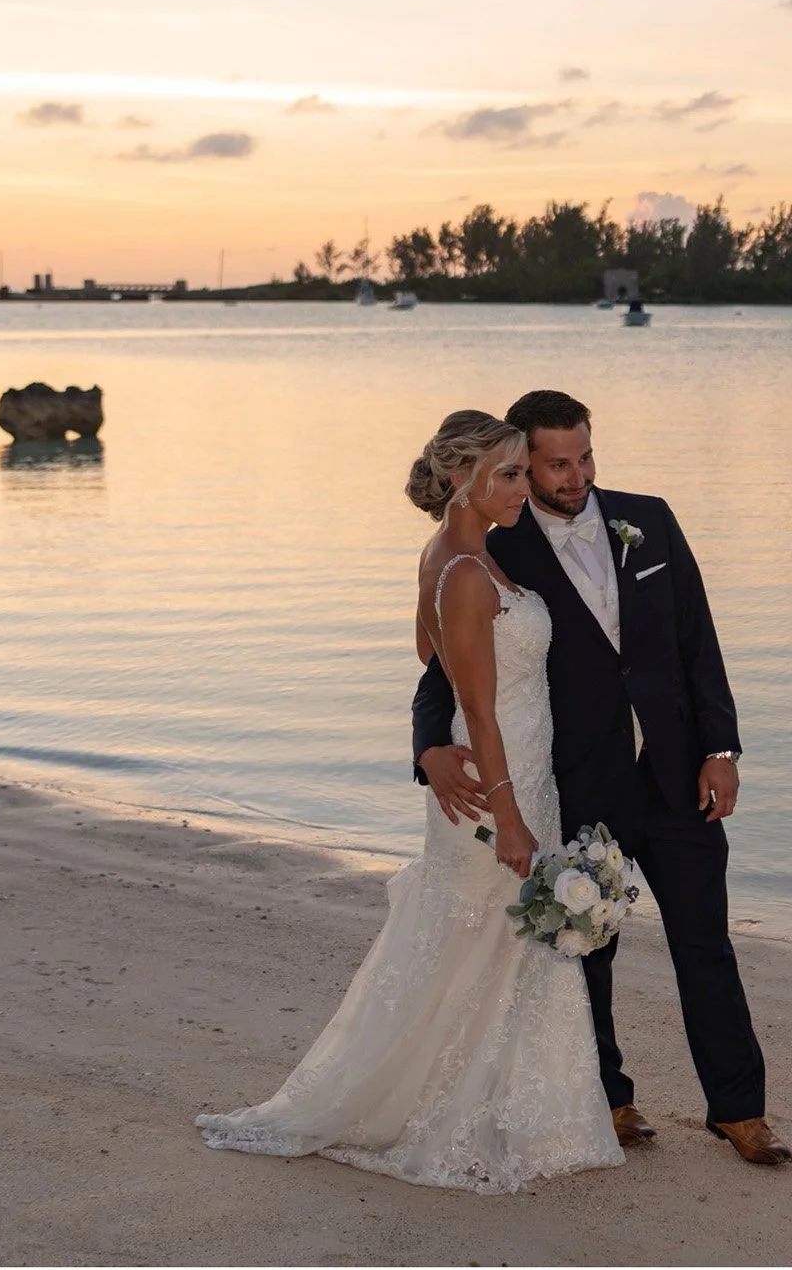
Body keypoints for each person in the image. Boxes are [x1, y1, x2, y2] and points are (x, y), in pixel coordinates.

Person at [196, 411, 621, 1191]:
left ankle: (502, 1100)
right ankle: (445, 1107)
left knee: (489, 946)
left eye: (524, 472)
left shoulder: (460, 555)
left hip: (517, 770)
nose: (524, 488)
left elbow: (434, 663)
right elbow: (476, 702)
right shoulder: (462, 570)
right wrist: (509, 812)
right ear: (464, 479)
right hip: (498, 783)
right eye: (510, 474)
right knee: (473, 944)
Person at [413, 389, 791, 1166]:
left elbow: (698, 639)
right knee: (586, 947)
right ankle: (611, 1097)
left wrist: (722, 747)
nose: (575, 474)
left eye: (585, 455)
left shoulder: (648, 516)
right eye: (556, 463)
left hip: (679, 775)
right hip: (583, 781)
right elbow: (448, 667)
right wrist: (428, 746)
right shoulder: (501, 543)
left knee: (706, 942)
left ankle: (740, 1108)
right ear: (524, 461)